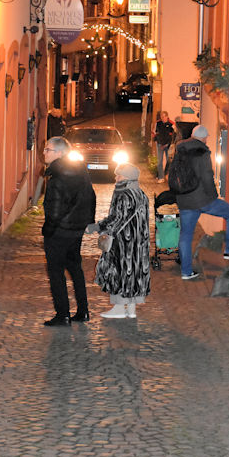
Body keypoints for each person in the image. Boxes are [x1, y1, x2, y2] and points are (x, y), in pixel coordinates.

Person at [172, 124, 229, 280]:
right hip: (202, 199)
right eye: (206, 137)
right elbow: (207, 177)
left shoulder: (180, 149)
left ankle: (186, 272)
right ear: (203, 138)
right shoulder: (202, 152)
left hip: (184, 199)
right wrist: (213, 195)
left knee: (185, 235)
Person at [42, 136, 96, 326]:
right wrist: (87, 222)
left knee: (56, 272)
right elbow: (91, 197)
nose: (44, 153)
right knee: (75, 269)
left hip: (59, 232)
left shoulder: (57, 177)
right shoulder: (81, 173)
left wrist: (49, 230)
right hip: (76, 230)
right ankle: (83, 311)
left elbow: (54, 210)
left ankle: (62, 314)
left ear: (59, 153)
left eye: (48, 149)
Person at [86, 163, 150, 319]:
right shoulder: (141, 194)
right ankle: (131, 309)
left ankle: (119, 308)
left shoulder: (123, 194)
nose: (116, 178)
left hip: (122, 242)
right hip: (139, 243)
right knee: (134, 272)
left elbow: (117, 218)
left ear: (126, 178)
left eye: (119, 175)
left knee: (118, 271)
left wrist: (97, 227)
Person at [152, 110, 175, 182]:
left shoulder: (172, 124)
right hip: (160, 144)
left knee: (169, 160)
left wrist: (168, 144)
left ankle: (166, 173)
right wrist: (156, 140)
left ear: (167, 116)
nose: (163, 118)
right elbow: (154, 132)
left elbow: (173, 135)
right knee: (160, 161)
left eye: (164, 116)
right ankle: (161, 177)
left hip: (168, 145)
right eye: (162, 116)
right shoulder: (158, 123)